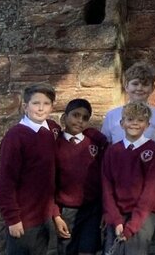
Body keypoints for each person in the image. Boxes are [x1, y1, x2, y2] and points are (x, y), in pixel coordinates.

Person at [100, 61, 155, 255]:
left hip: (148, 182)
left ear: (152, 88)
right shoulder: (112, 116)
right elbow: (106, 148)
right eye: (135, 83)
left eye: (145, 84)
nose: (139, 88)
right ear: (126, 86)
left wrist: (140, 167)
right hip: (118, 185)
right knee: (114, 243)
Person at [0, 83, 63, 255]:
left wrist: (55, 213)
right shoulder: (15, 137)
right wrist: (12, 219)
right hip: (23, 220)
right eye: (35, 103)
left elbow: (51, 178)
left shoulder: (52, 131)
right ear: (25, 106)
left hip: (44, 218)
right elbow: (5, 182)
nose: (41, 108)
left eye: (46, 103)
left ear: (52, 106)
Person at [102, 102, 155, 254]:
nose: (135, 123)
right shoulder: (113, 151)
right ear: (122, 123)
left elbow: (151, 191)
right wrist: (116, 219)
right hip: (117, 212)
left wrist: (133, 225)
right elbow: (106, 187)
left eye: (140, 120)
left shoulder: (153, 150)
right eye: (130, 119)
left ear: (147, 125)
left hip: (143, 215)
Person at [54, 98, 107, 255]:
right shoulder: (55, 144)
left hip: (92, 209)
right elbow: (50, 183)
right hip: (66, 211)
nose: (80, 121)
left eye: (85, 118)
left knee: (88, 249)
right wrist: (56, 214)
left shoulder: (95, 143)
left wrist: (105, 209)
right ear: (65, 117)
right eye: (75, 115)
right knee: (67, 249)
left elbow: (104, 177)